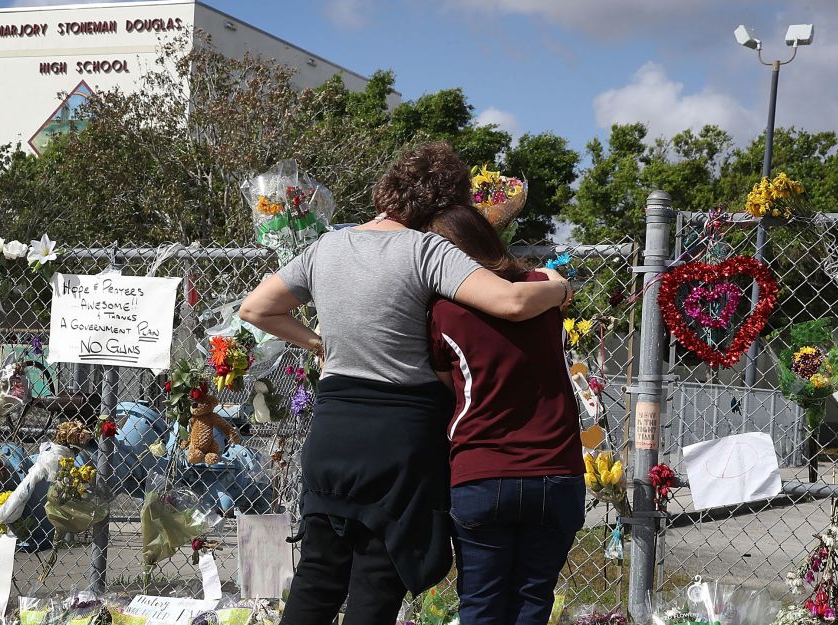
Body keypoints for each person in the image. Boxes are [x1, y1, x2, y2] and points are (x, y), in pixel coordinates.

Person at [238, 142, 574, 625]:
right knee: (377, 577)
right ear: (446, 204)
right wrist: (560, 287)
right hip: (399, 438)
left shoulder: (326, 247)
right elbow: (512, 303)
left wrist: (316, 343)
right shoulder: (426, 250)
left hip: (332, 430)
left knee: (317, 574)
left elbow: (255, 309)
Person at [425, 205, 586, 625]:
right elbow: (554, 285)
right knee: (533, 601)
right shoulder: (544, 290)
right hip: (555, 470)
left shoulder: (443, 310)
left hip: (482, 470)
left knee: (480, 603)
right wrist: (555, 283)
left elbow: (451, 384)